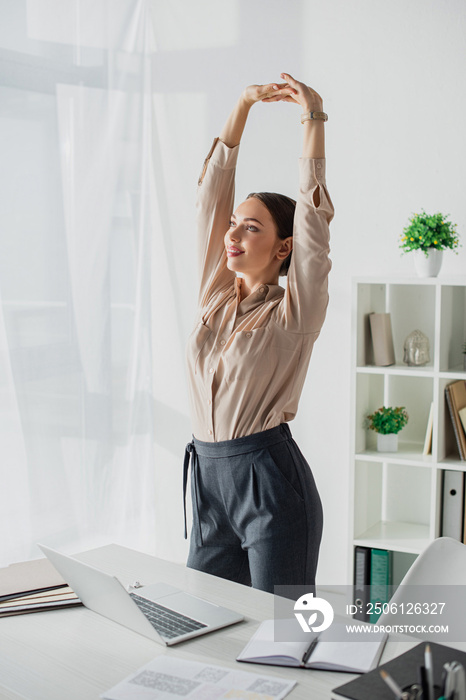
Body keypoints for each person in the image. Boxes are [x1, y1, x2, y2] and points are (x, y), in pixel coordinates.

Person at [183, 73, 334, 595]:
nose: (233, 233)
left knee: (280, 638)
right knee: (202, 621)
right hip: (208, 479)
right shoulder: (215, 297)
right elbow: (210, 200)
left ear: (283, 248)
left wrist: (312, 118)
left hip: (269, 482)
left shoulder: (295, 310)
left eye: (252, 227)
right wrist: (243, 105)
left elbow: (314, 222)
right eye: (235, 223)